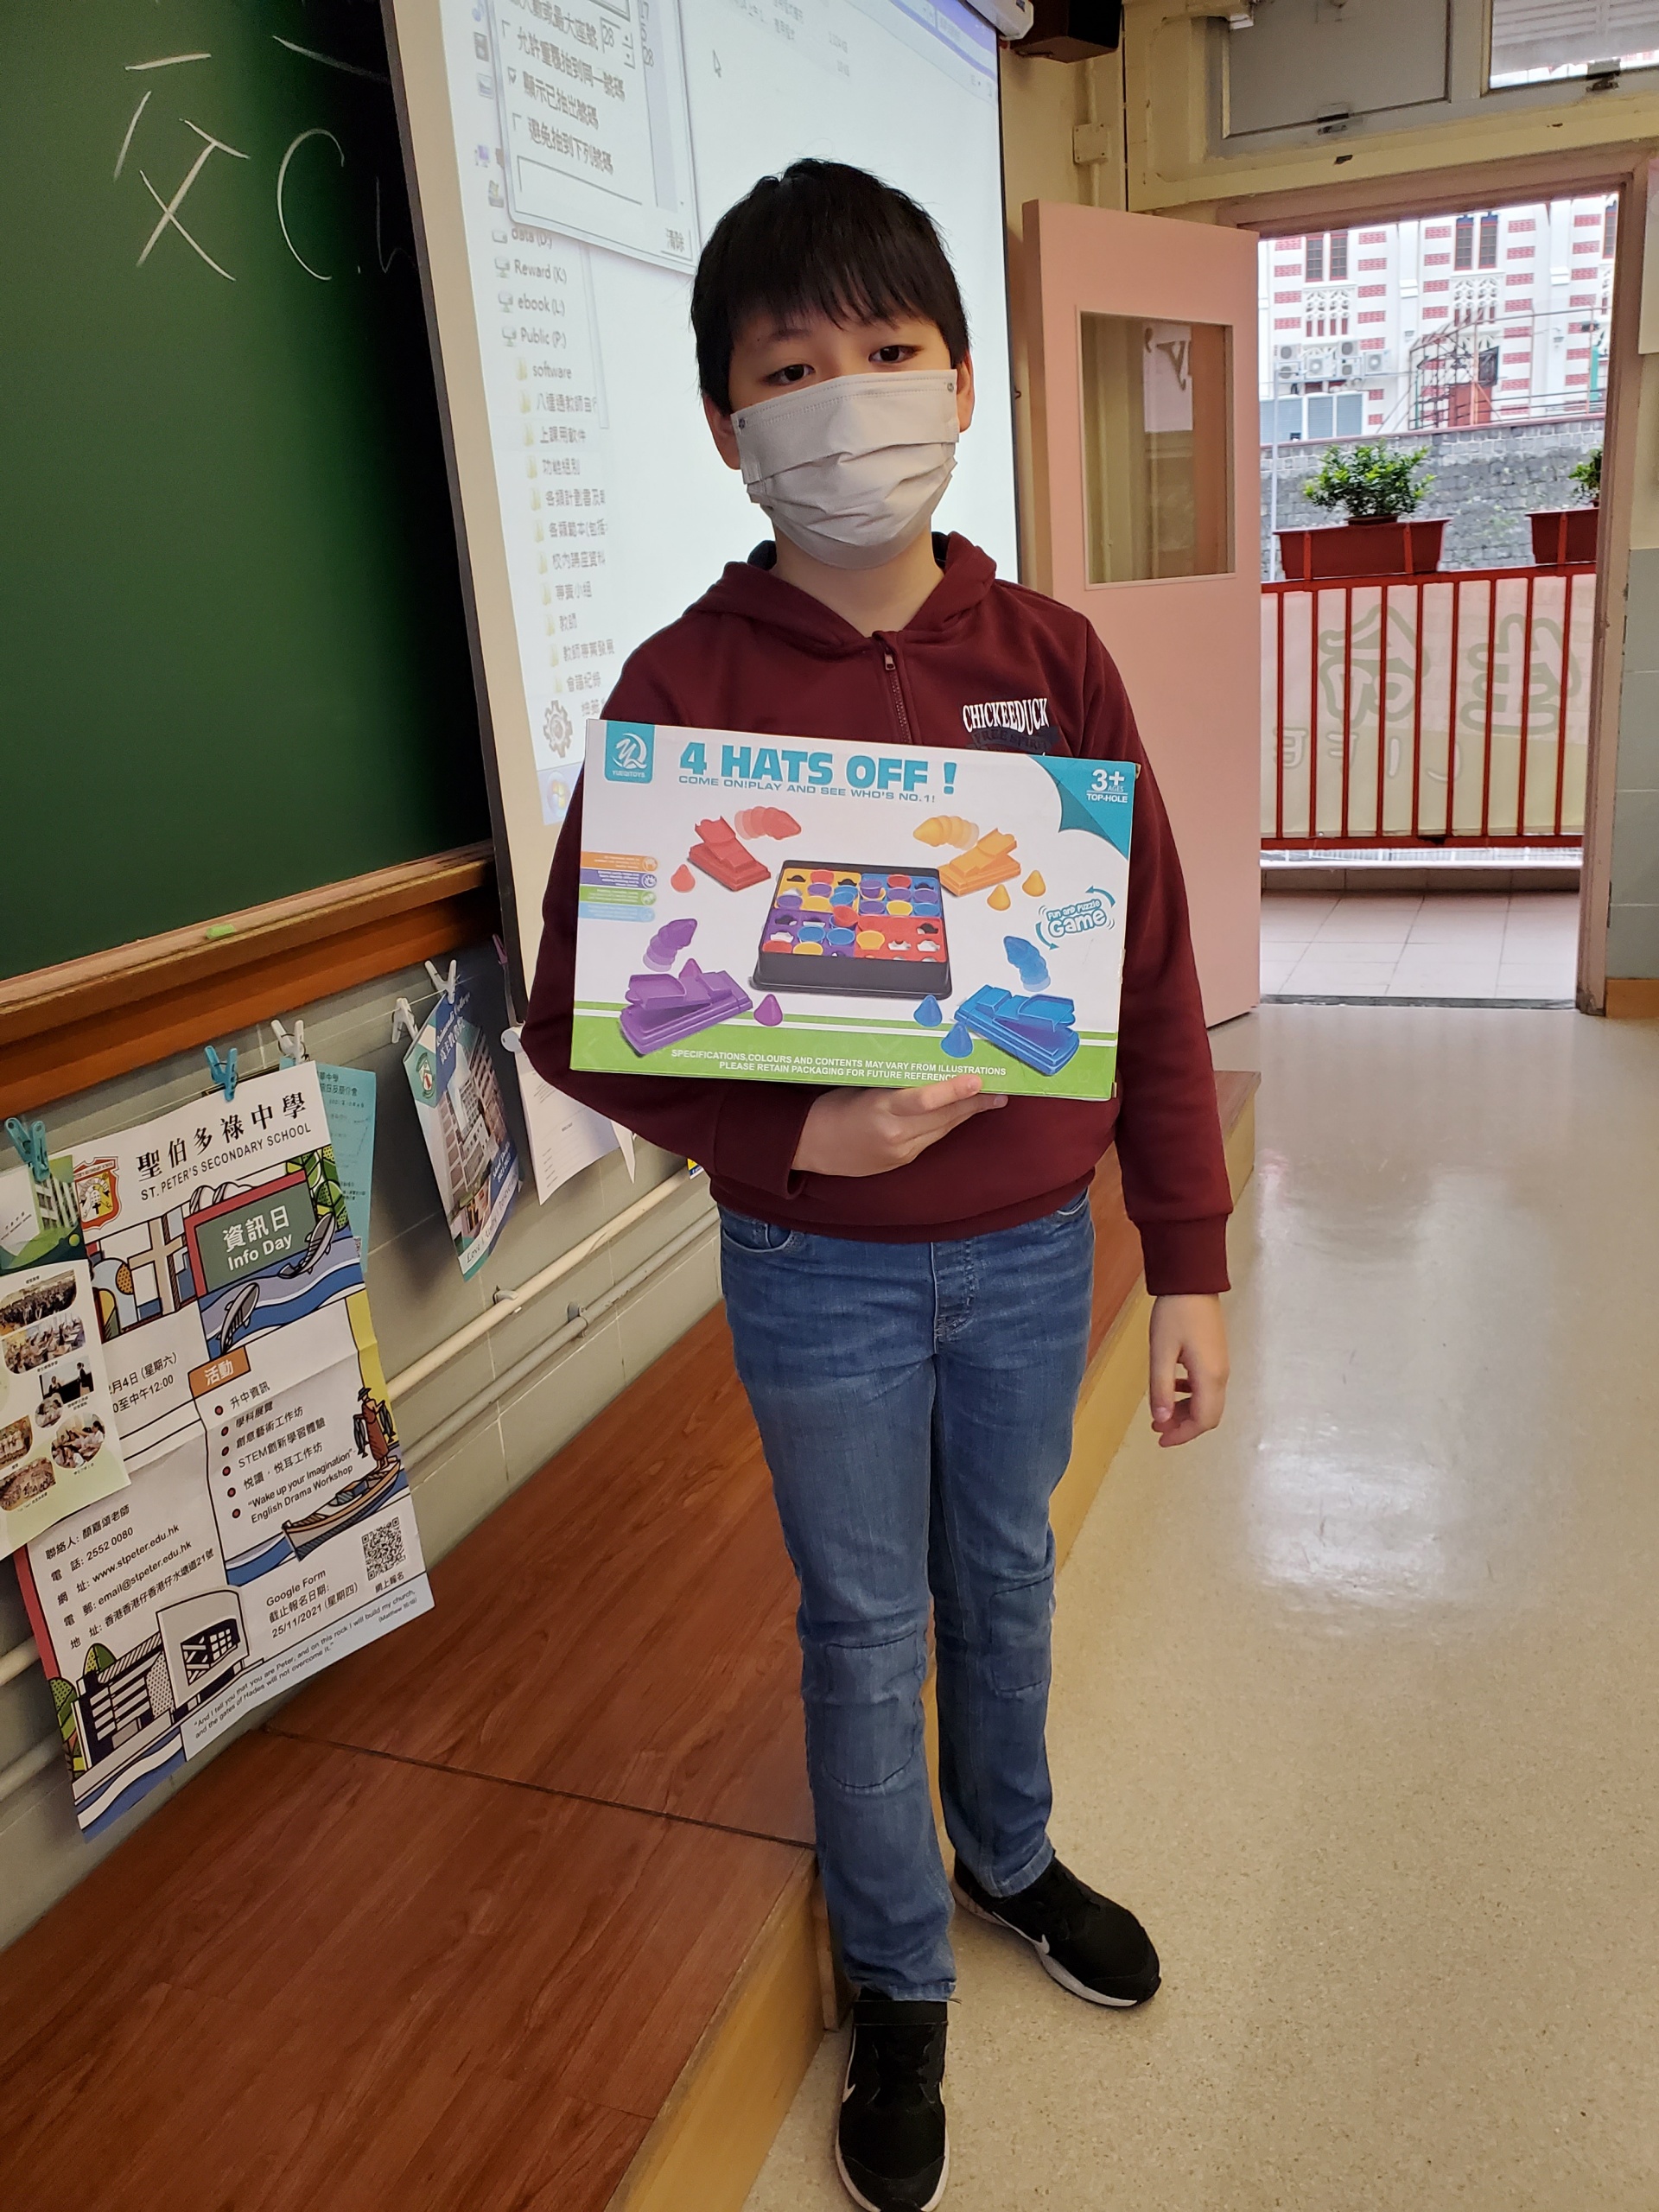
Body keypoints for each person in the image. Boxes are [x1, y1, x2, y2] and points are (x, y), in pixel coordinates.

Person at [522, 159, 1232, 2212]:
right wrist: (787, 1138)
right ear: (724, 423)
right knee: (862, 1624)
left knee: (1003, 1573)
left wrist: (1189, 1261)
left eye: (890, 349)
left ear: (963, 381)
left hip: (1031, 1248)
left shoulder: (1055, 662)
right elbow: (578, 1008)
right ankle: (897, 1972)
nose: (847, 399)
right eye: (790, 367)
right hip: (813, 1262)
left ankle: (1006, 1854)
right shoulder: (685, 686)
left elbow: (1149, 973)